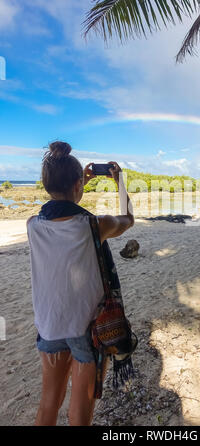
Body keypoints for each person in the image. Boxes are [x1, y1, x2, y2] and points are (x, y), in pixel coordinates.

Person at [26, 141, 134, 426]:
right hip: (89, 330)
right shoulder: (95, 226)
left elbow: (63, 212)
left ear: (47, 185)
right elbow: (129, 219)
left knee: (48, 404)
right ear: (77, 185)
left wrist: (78, 183)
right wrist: (120, 182)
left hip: (49, 326)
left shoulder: (33, 226)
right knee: (80, 413)